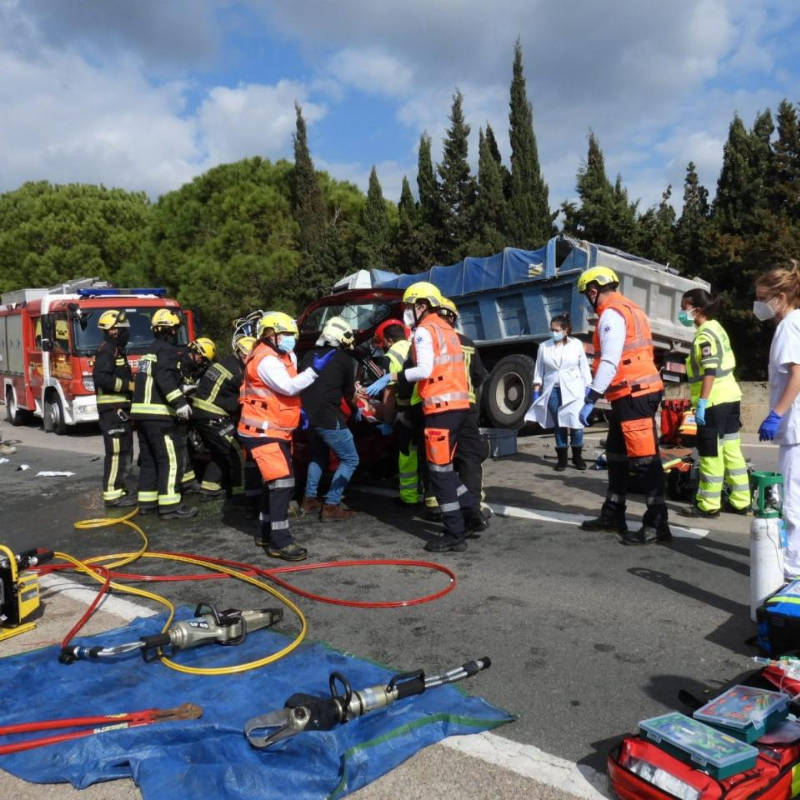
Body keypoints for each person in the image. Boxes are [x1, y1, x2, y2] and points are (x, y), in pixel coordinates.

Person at [366, 281, 481, 553]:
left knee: (439, 472)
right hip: (459, 407)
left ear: (421, 305)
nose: (407, 311)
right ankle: (472, 515)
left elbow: (424, 370)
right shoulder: (447, 330)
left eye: (408, 306)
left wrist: (391, 378)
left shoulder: (424, 331)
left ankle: (454, 532)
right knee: (447, 469)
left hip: (440, 409)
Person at [576, 266, 670, 546]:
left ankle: (657, 524)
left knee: (644, 461)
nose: (587, 301)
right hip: (628, 394)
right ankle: (613, 515)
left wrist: (591, 398)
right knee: (616, 456)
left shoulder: (611, 315)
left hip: (634, 394)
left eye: (586, 295)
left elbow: (610, 360)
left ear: (593, 292)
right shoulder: (633, 309)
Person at [237, 311, 335, 561]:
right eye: (288, 334)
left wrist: (296, 411)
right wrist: (314, 371)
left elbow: (285, 391)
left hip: (274, 429)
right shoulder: (266, 359)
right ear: (272, 334)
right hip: (263, 431)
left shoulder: (279, 355)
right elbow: (289, 386)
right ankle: (280, 542)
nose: (292, 338)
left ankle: (265, 533)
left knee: (274, 484)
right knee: (282, 483)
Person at [676, 289, 750, 518]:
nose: (682, 311)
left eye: (684, 306)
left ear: (696, 309)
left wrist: (703, 402)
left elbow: (710, 370)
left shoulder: (704, 335)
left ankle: (708, 505)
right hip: (730, 397)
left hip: (714, 401)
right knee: (731, 450)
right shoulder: (717, 328)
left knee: (710, 453)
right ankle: (740, 501)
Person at [754, 262, 800, 579]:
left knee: (792, 498)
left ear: (780, 297)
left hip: (795, 428)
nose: (759, 306)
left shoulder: (788, 327)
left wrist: (776, 414)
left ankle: (793, 565)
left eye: (763, 298)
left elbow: (797, 374)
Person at [130, 309, 198, 520]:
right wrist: (179, 402)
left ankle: (147, 503)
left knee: (149, 459)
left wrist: (182, 389)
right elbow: (164, 378)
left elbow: (154, 380)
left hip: (141, 415)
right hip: (159, 416)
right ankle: (170, 505)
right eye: (176, 328)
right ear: (171, 330)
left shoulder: (149, 351)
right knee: (171, 459)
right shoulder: (167, 351)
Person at [299, 316, 361, 522]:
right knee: (351, 459)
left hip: (308, 418)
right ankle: (332, 505)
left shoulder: (308, 355)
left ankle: (309, 499)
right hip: (328, 416)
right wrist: (358, 409)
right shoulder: (343, 359)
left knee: (319, 455)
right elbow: (349, 394)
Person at [439, 297, 490, 533]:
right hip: (468, 407)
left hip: (442, 408)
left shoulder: (434, 340)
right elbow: (479, 375)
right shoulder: (468, 342)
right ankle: (472, 513)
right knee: (470, 460)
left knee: (439, 463)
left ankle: (449, 513)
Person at [190, 335, 255, 500]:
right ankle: (240, 493)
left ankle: (209, 487)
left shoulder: (226, 363)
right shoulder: (237, 373)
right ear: (244, 355)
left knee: (220, 451)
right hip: (213, 417)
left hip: (203, 415)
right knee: (236, 452)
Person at [529, 313, 592, 471]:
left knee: (576, 425)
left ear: (566, 330)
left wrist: (588, 389)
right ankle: (562, 459)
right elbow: (539, 371)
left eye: (556, 329)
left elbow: (584, 368)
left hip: (574, 390)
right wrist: (536, 391)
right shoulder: (544, 347)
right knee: (559, 425)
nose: (553, 332)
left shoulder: (576, 344)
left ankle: (577, 457)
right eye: (551, 329)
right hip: (553, 390)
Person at [92, 309, 136, 507]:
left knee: (126, 451)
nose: (125, 332)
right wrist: (128, 386)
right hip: (112, 410)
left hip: (121, 409)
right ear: (113, 331)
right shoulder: (107, 350)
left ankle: (121, 488)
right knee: (117, 452)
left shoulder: (117, 350)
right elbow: (101, 378)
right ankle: (112, 495)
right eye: (122, 329)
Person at [374, 318, 420, 507]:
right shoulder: (414, 346)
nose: (382, 346)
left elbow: (390, 393)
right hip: (422, 406)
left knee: (407, 453)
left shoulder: (390, 356)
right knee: (421, 451)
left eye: (382, 343)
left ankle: (409, 498)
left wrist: (387, 420)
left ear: (389, 341)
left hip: (406, 410)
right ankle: (426, 491)